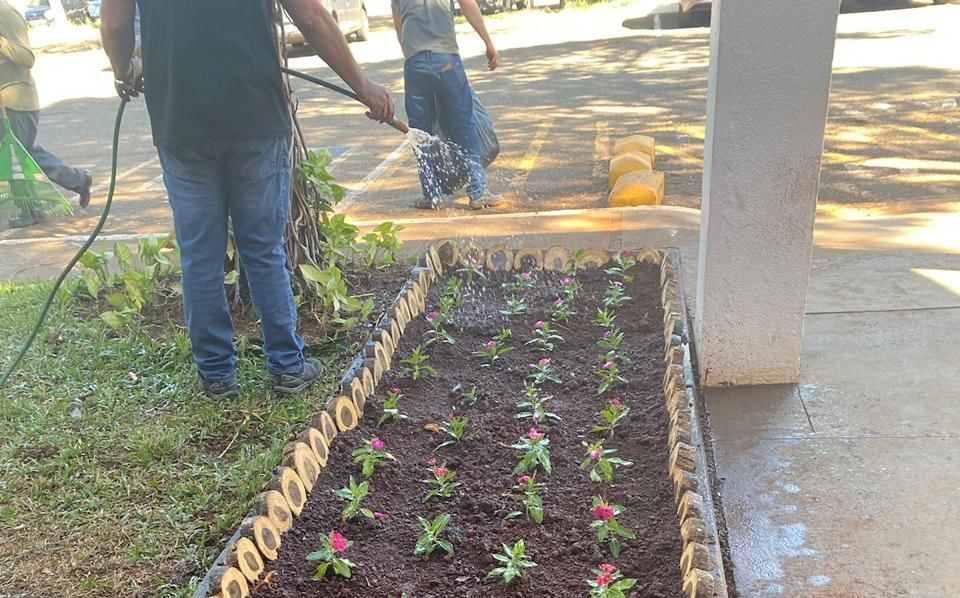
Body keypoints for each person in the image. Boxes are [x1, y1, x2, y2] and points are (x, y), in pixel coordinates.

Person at [100, 0, 394, 399]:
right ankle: (288, 367)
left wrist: (124, 72)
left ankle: (217, 376)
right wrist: (364, 86)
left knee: (200, 256)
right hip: (255, 116)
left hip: (181, 122)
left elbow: (116, 24)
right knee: (262, 248)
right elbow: (310, 16)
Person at [392, 0, 501, 210]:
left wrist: (412, 54)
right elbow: (468, 4)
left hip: (414, 63)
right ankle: (478, 191)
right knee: (464, 125)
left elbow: (399, 24)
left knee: (420, 132)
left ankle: (432, 195)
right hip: (446, 60)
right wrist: (488, 43)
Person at [0, 0, 92, 227]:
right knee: (23, 154)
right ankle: (77, 179)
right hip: (4, 101)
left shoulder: (5, 13)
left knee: (20, 156)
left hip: (17, 99)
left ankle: (31, 209)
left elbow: (27, 58)